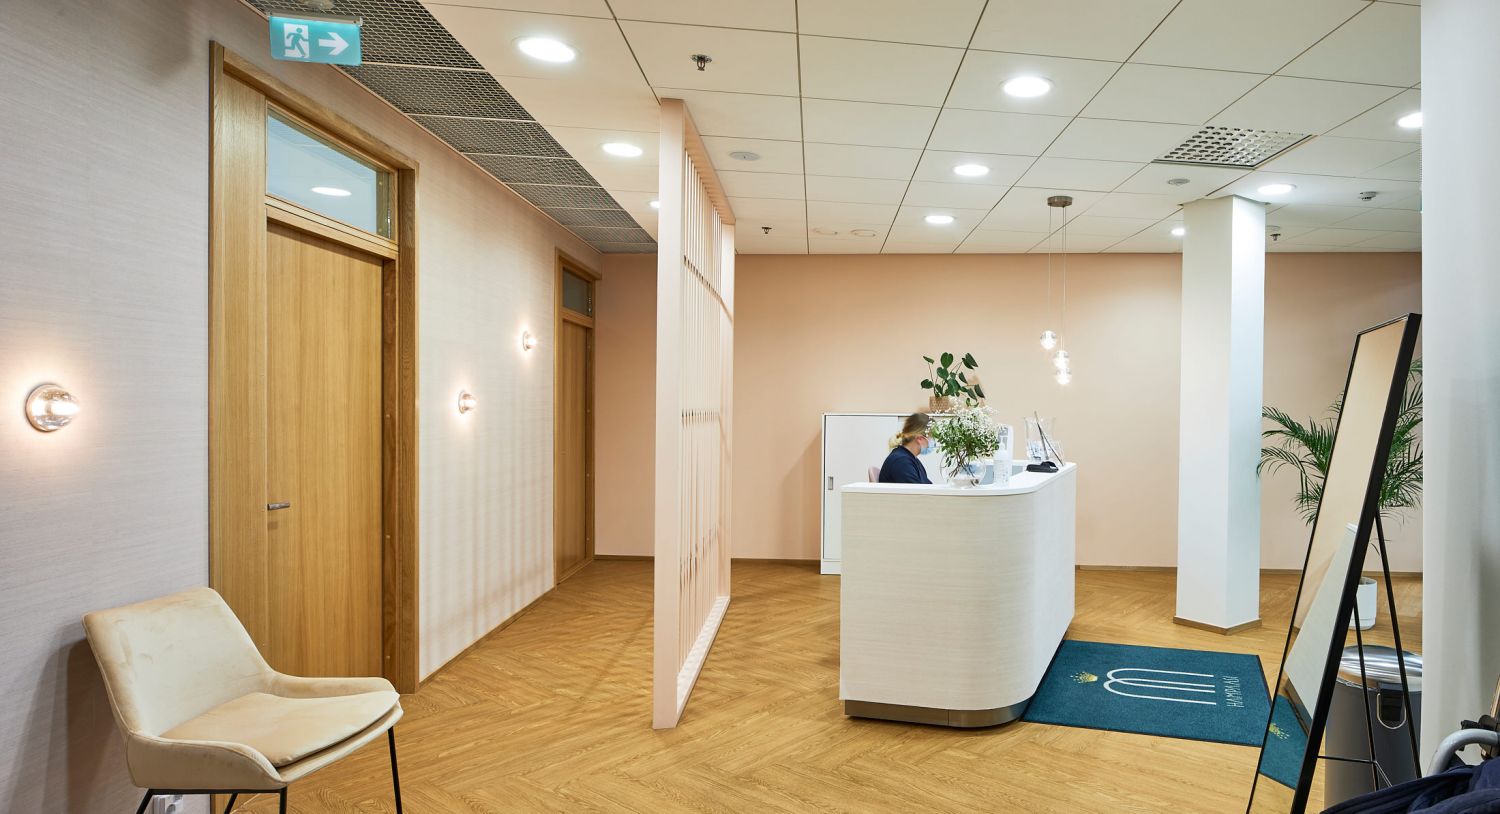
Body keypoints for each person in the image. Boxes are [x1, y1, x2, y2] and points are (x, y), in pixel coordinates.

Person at [878, 413, 933, 484]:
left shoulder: (911, 460)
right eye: (932, 437)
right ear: (920, 439)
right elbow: (915, 490)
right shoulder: (901, 462)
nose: (933, 441)